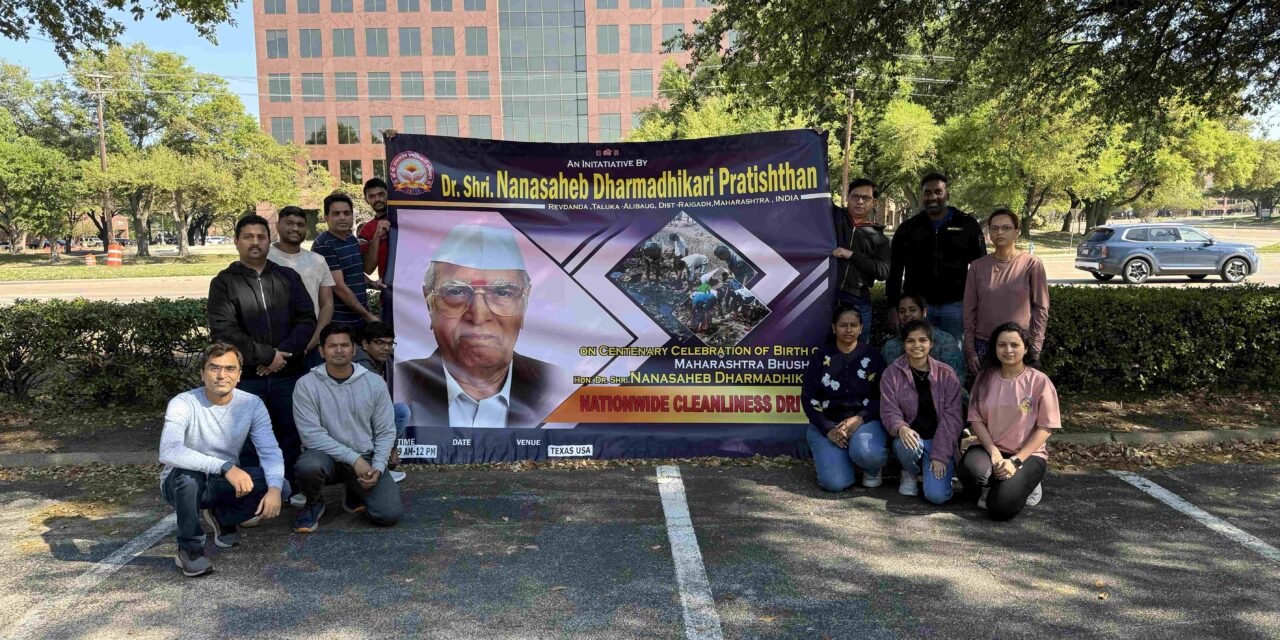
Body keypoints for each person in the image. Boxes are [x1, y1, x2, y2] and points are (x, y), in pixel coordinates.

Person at [393, 224, 572, 428]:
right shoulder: (396, 384)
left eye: (503, 292)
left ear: (525, 302)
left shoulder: (557, 387)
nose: (478, 315)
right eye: (455, 291)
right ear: (429, 301)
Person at [207, 214, 316, 506]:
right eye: (248, 237)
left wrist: (282, 355)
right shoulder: (223, 283)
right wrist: (267, 356)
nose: (255, 243)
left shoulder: (288, 277)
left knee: (289, 435)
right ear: (237, 242)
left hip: (288, 375)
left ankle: (288, 487)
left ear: (269, 241)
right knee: (246, 441)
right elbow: (224, 330)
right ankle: (253, 494)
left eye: (261, 237)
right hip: (248, 379)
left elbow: (306, 320)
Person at [159, 343, 288, 577]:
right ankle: (190, 549)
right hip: (180, 484)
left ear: (239, 375)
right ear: (202, 373)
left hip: (222, 481)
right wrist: (225, 466)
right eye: (214, 368)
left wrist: (275, 489)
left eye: (230, 369)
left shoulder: (251, 403)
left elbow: (269, 450)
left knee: (281, 485)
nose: (221, 375)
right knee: (189, 477)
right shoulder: (183, 403)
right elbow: (170, 451)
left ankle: (222, 515)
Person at [293, 324, 402, 532]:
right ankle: (314, 503)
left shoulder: (374, 383)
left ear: (354, 349)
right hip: (325, 457)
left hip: (366, 456)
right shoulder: (306, 385)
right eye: (332, 346)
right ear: (321, 351)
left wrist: (378, 466)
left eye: (345, 345)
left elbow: (385, 430)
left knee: (389, 515)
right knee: (309, 465)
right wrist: (355, 459)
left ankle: (355, 490)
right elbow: (311, 436)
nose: (339, 350)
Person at [958, 322, 1061, 521]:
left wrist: (1015, 460)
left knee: (1000, 509)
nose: (1008, 350)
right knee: (971, 471)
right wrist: (994, 452)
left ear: (1026, 348)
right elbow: (976, 419)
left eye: (1014, 345)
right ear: (994, 348)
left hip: (1025, 455)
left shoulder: (1039, 381)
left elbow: (1046, 426)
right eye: (1001, 345)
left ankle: (1027, 485)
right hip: (990, 449)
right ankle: (992, 485)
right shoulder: (984, 378)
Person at [886, 172, 986, 340]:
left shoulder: (967, 224)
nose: (932, 197)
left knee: (952, 356)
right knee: (917, 356)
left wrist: (978, 305)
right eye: (927, 192)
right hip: (916, 307)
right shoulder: (907, 229)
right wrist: (892, 307)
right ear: (921, 196)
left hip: (955, 306)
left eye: (938, 191)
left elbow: (980, 269)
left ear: (947, 194)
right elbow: (894, 271)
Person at [801, 306, 888, 491]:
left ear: (861, 328)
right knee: (834, 484)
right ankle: (843, 462)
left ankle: (870, 468)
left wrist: (859, 419)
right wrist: (827, 429)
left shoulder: (873, 356)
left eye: (853, 325)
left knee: (868, 454)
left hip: (864, 421)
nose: (848, 330)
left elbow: (883, 397)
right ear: (834, 328)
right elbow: (808, 398)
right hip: (828, 422)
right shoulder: (821, 356)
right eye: (843, 325)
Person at [879, 320, 964, 503]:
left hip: (937, 440)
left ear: (931, 343)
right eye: (910, 341)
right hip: (909, 440)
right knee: (909, 444)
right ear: (904, 344)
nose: (917, 345)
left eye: (922, 340)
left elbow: (953, 418)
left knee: (937, 497)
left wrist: (941, 455)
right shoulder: (891, 373)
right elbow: (889, 410)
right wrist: (901, 427)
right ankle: (909, 471)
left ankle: (933, 471)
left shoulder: (946, 374)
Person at [963, 209, 1050, 376]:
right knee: (987, 397)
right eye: (994, 228)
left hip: (1018, 345)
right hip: (984, 344)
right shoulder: (977, 267)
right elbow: (969, 310)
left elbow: (1041, 308)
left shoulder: (1031, 264)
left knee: (1020, 399)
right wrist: (970, 349)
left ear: (1016, 232)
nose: (999, 232)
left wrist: (1035, 346)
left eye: (1006, 228)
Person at [268, 206, 334, 365]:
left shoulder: (318, 260)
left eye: (300, 224)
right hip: (272, 348)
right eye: (289, 223)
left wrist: (315, 339)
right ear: (277, 225)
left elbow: (327, 305)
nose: (295, 228)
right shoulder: (264, 258)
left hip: (309, 345)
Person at [831, 179, 890, 344]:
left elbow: (883, 271)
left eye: (866, 198)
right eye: (855, 196)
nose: (860, 201)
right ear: (847, 198)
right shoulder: (832, 216)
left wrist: (851, 255)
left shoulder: (879, 236)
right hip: (826, 297)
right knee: (823, 349)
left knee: (858, 352)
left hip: (858, 300)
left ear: (874, 202)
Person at [314, 192, 378, 328]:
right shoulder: (324, 245)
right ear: (326, 218)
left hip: (358, 318)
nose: (342, 218)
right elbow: (339, 287)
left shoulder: (351, 239)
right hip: (339, 323)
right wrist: (369, 316)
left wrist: (372, 284)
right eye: (336, 214)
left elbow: (354, 271)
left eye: (346, 213)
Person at [354, 320, 408, 483]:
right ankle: (377, 468)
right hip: (351, 426)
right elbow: (378, 413)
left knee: (398, 411)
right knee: (399, 412)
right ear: (364, 343)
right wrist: (391, 447)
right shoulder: (364, 366)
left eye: (390, 344)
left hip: (360, 421)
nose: (386, 348)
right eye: (380, 343)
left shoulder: (372, 361)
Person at [882, 293, 966, 386]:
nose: (907, 314)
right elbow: (891, 383)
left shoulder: (944, 341)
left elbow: (957, 379)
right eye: (902, 311)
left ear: (924, 312)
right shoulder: (891, 346)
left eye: (912, 310)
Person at [358, 178, 391, 281]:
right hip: (390, 290)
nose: (377, 199)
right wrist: (377, 236)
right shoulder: (366, 230)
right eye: (372, 196)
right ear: (366, 200)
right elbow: (368, 269)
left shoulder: (405, 217)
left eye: (381, 194)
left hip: (418, 286)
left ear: (388, 194)